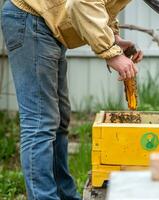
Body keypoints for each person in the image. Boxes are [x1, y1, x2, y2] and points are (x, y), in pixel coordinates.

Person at [1, 0, 143, 199]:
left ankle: (64, 194)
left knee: (59, 119)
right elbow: (83, 3)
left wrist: (115, 38)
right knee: (40, 122)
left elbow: (102, 5)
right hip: (30, 18)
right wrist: (110, 52)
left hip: (47, 23)